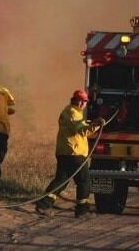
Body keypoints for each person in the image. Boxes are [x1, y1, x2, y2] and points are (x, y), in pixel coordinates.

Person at [35, 89, 105, 218]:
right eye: (84, 102)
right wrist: (95, 123)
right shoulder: (73, 113)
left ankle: (43, 205)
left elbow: (84, 131)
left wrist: (95, 126)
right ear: (79, 101)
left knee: (61, 181)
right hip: (74, 154)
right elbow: (81, 130)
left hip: (65, 153)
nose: (85, 104)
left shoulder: (71, 112)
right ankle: (82, 211)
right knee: (84, 181)